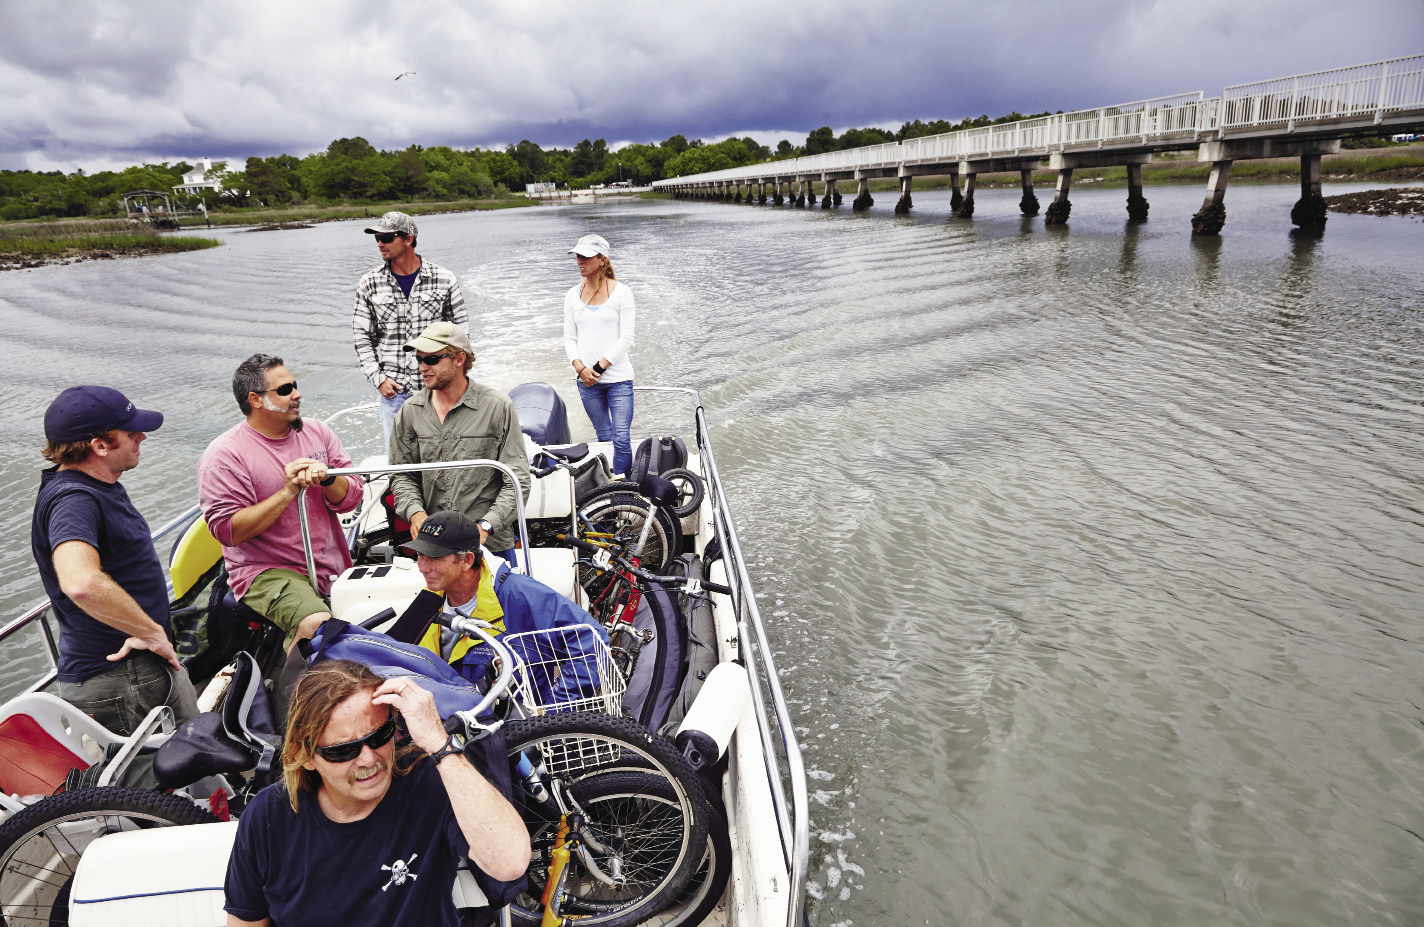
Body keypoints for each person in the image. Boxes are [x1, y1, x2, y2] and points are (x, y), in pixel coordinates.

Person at [223, 659, 530, 927]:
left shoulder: (427, 782)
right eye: (344, 750)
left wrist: (440, 743)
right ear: (304, 756)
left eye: (380, 735)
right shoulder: (269, 816)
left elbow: (510, 861)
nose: (370, 759)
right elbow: (245, 921)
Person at [31, 386, 199, 735]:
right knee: (174, 779)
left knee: (195, 766)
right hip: (123, 680)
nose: (141, 437)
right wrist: (151, 632)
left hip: (132, 671)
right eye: (130, 431)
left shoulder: (93, 486)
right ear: (100, 445)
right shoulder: (74, 499)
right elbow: (80, 582)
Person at [198, 354, 364, 653]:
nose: (297, 394)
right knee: (317, 623)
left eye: (295, 385)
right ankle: (295, 692)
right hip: (265, 570)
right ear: (256, 400)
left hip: (328, 560)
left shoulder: (318, 432)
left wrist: (328, 480)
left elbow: (352, 498)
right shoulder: (225, 455)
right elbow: (227, 531)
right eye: (285, 390)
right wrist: (288, 492)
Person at [406, 511, 608, 705]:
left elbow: (592, 640)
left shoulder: (518, 593)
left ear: (467, 560)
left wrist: (556, 710)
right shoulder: (430, 599)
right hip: (452, 723)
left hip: (514, 729)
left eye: (434, 558)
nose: (422, 567)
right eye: (420, 555)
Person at [389, 322, 530, 563]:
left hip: (491, 547)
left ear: (459, 358)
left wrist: (485, 526)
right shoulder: (409, 411)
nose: (422, 367)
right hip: (434, 546)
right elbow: (402, 475)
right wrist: (415, 513)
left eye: (431, 359)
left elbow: (517, 480)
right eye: (419, 359)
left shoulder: (498, 407)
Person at [352, 211, 467, 447]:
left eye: (387, 237)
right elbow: (362, 338)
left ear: (408, 239)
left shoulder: (444, 279)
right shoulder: (369, 283)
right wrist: (378, 378)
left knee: (445, 460)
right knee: (400, 467)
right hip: (395, 394)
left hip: (439, 391)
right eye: (377, 238)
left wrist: (452, 381)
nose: (380, 243)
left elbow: (461, 336)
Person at [563, 233, 636, 477]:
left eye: (586, 256)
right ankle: (609, 486)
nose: (580, 261)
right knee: (604, 437)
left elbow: (626, 338)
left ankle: (623, 487)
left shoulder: (622, 293)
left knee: (622, 438)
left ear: (602, 260)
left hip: (618, 379)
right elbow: (569, 338)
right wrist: (580, 369)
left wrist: (598, 368)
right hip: (586, 382)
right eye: (578, 256)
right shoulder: (571, 295)